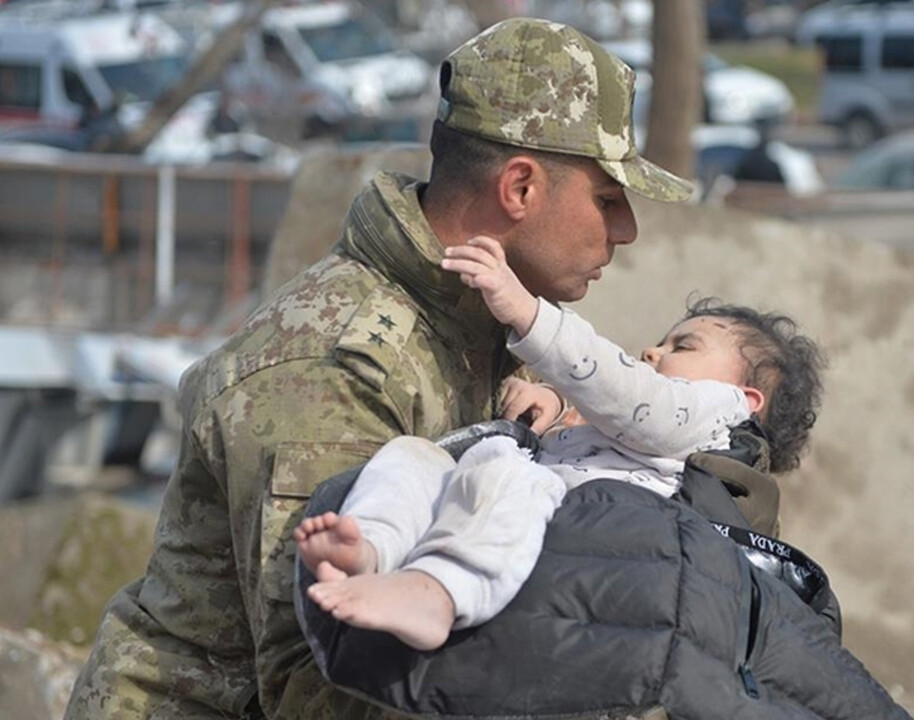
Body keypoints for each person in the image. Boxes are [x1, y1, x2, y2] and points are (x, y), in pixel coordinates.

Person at [66, 18, 694, 719]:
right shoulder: (333, 366)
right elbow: (325, 680)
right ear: (520, 189)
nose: (626, 229)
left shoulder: (482, 322)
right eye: (608, 199)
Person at [293, 234, 823, 652]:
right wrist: (556, 410)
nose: (651, 351)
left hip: (586, 548)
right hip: (523, 517)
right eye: (662, 340)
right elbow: (617, 426)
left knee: (510, 475)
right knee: (416, 456)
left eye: (682, 345)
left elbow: (633, 401)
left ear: (747, 398)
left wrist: (528, 313)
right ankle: (371, 546)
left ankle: (439, 594)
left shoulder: (714, 416)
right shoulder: (651, 427)